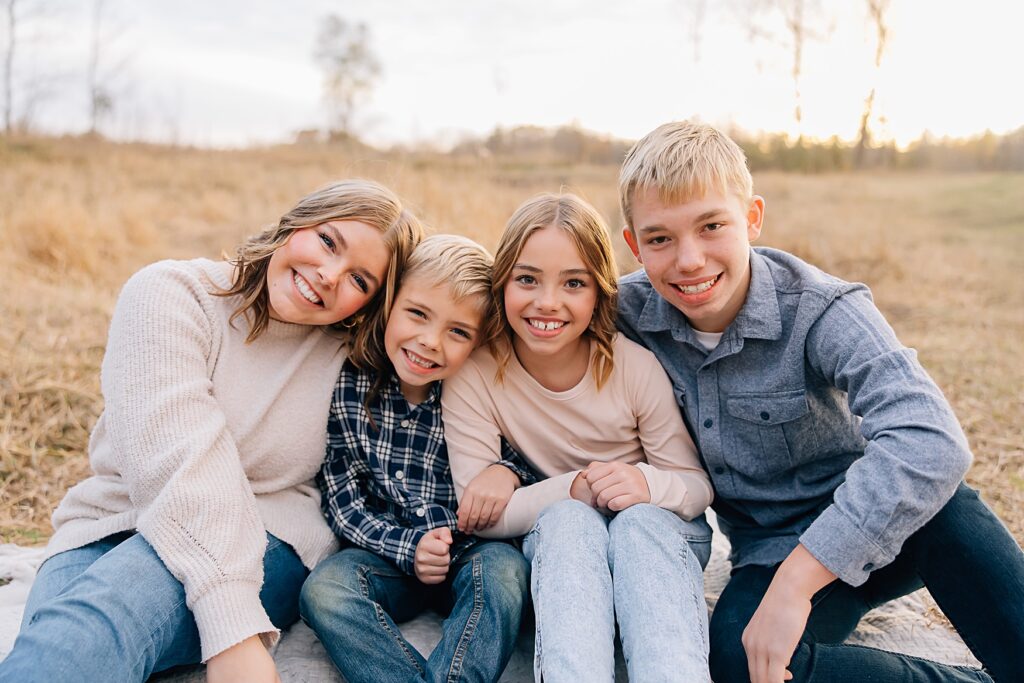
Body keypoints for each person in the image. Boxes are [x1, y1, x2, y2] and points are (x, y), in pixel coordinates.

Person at [615, 121, 1024, 683]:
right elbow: (522, 321)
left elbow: (929, 436)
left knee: (949, 510)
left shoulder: (821, 307)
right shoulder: (627, 312)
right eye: (660, 238)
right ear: (634, 245)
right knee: (739, 662)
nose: (689, 260)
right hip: (770, 548)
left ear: (752, 218)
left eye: (712, 226)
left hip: (897, 525)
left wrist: (797, 584)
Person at [0, 179, 425, 683]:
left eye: (360, 280)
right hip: (115, 523)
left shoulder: (351, 355)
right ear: (297, 222)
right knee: (67, 637)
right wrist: (234, 632)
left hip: (268, 534)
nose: (330, 276)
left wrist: (233, 625)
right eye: (329, 242)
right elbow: (180, 459)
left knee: (103, 621)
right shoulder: (171, 294)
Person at [442, 193, 716, 683]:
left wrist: (645, 486)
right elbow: (480, 514)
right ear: (502, 280)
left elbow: (695, 487)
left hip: (659, 530)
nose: (548, 302)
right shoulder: (477, 374)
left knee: (637, 527)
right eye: (527, 279)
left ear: (600, 293)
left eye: (573, 283)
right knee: (568, 520)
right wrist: (574, 489)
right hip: (568, 542)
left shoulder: (632, 367)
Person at [299, 234, 531, 683]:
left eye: (458, 332)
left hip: (473, 549)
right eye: (418, 314)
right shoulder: (353, 384)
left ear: (481, 342)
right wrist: (406, 548)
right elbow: (342, 499)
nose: (429, 342)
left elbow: (532, 453)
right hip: (386, 553)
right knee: (325, 591)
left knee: (506, 575)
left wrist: (508, 474)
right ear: (390, 304)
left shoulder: (483, 386)